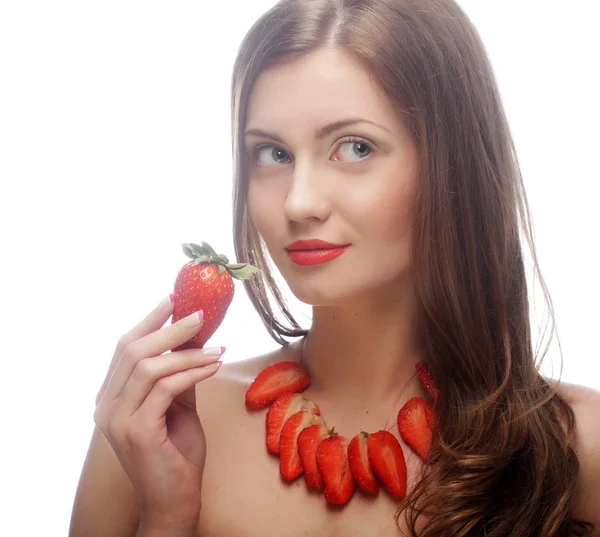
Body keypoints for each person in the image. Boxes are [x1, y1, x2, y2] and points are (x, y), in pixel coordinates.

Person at [69, 0, 600, 535]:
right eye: (272, 154)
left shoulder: (580, 444)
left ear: (449, 163)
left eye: (354, 147)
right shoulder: (155, 427)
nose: (298, 203)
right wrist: (167, 516)